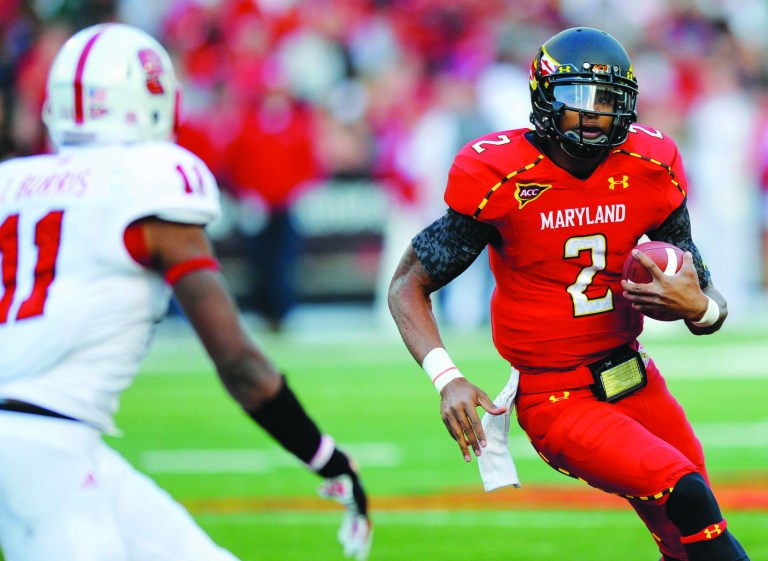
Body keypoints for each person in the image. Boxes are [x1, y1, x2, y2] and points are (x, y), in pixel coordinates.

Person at [0, 23, 371, 561]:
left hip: (63, 442)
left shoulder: (15, 182)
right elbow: (241, 366)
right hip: (44, 448)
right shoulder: (147, 181)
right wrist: (325, 455)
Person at [388, 26, 749, 561]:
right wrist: (448, 378)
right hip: (557, 395)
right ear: (542, 98)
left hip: (635, 376)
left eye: (607, 101)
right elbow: (407, 284)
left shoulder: (650, 165)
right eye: (576, 97)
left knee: (688, 534)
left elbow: (703, 289)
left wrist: (702, 307)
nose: (592, 114)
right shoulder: (503, 173)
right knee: (688, 496)